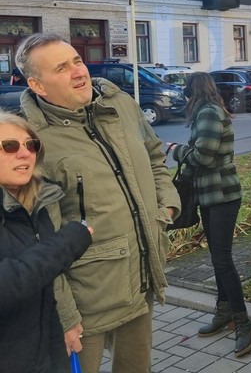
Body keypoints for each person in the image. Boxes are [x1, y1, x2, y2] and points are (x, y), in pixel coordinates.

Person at [15, 33, 181, 373]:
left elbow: (153, 154)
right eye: (62, 68)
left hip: (139, 279)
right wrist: (65, 315)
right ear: (38, 85)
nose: (79, 72)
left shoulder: (118, 104)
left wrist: (166, 206)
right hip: (85, 299)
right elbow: (41, 240)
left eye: (77, 61)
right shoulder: (32, 140)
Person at [167, 72, 251, 357]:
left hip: (222, 195)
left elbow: (202, 157)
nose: (184, 95)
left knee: (222, 259)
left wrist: (174, 149)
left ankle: (244, 323)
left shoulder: (208, 113)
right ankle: (224, 311)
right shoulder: (210, 111)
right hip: (211, 194)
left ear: (193, 91)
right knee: (218, 258)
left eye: (186, 90)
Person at [0, 110, 93, 373]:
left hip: (46, 353)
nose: (24, 153)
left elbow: (45, 288)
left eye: (32, 145)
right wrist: (67, 244)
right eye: (9, 146)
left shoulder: (34, 203)